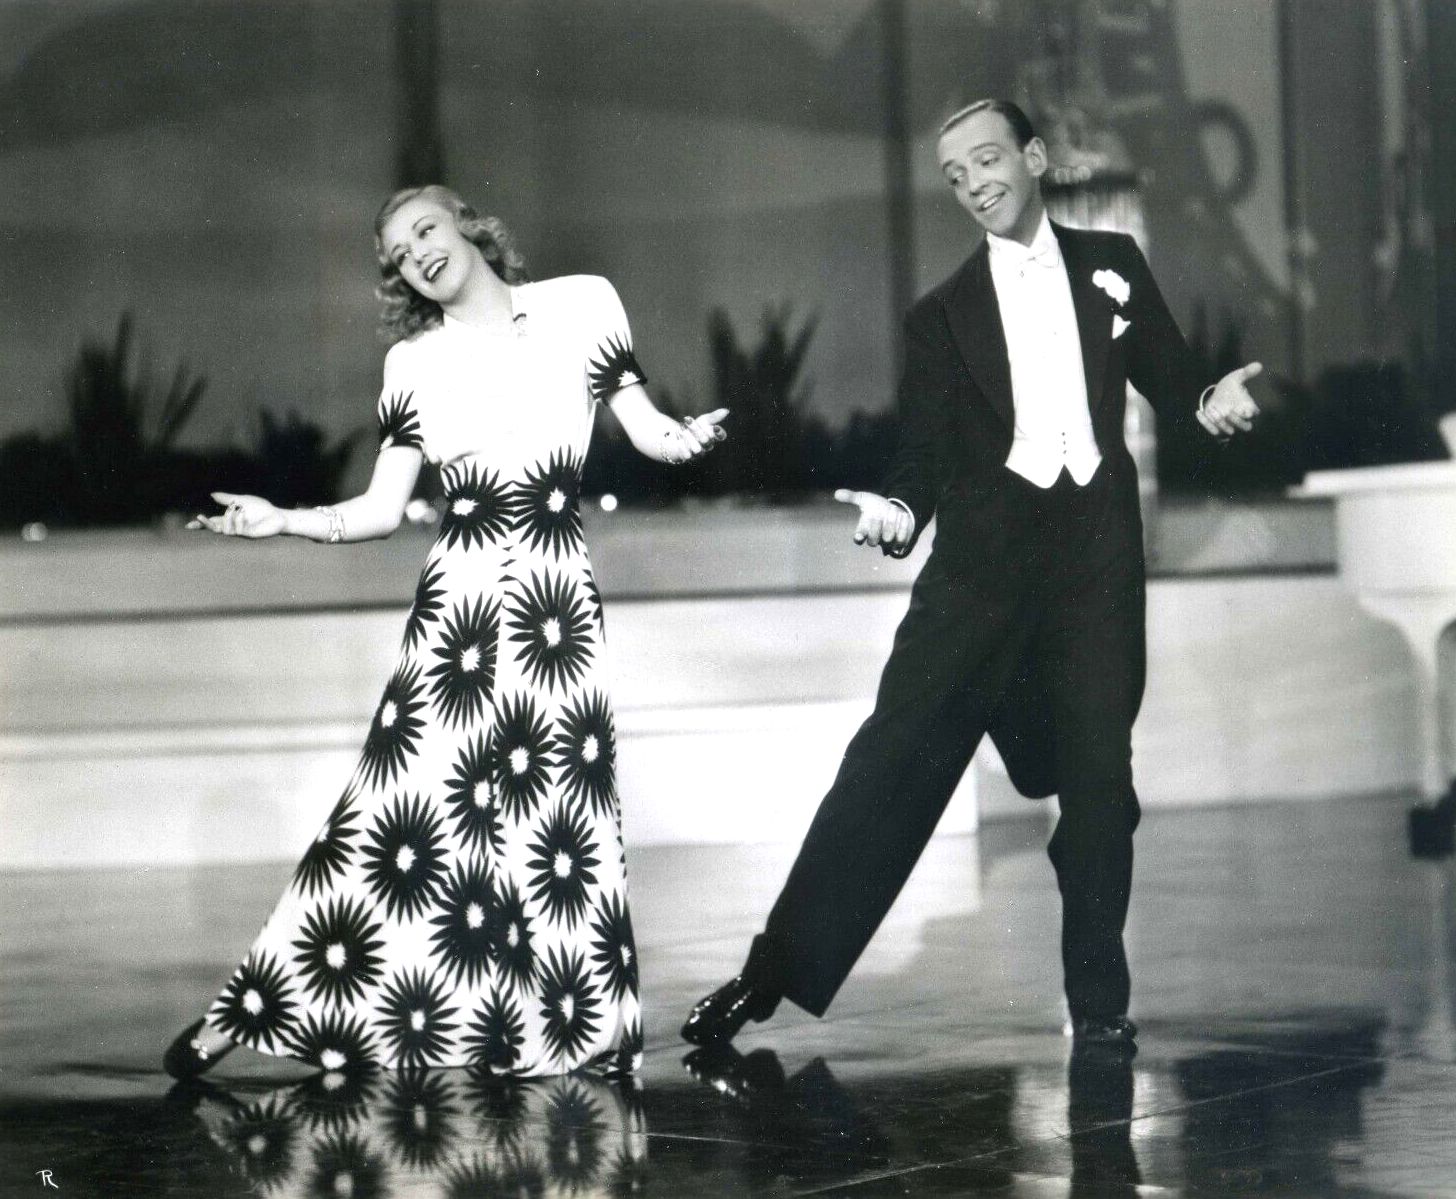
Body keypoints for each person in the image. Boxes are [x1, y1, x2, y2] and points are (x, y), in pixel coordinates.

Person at [682, 98, 1260, 1052]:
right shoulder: (940, 316)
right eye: (955, 175)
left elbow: (1173, 375)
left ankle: (1098, 1003)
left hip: (1095, 565)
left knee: (1100, 782)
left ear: (1033, 157)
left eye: (988, 160)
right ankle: (768, 976)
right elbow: (923, 457)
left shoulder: (1114, 264)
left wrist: (1210, 400)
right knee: (889, 762)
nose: (974, 184)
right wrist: (898, 513)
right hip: (979, 576)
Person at [164, 183, 727, 1080]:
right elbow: (380, 510)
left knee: (560, 810)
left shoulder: (584, 304)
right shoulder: (412, 365)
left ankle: (568, 1031)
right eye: (398, 253)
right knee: (398, 807)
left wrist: (688, 440)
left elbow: (649, 430)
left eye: (425, 229)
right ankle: (254, 1010)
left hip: (554, 593)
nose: (417, 253)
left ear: (467, 224)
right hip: (458, 601)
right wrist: (282, 520)